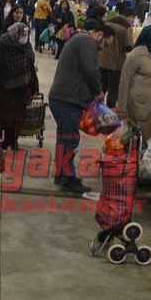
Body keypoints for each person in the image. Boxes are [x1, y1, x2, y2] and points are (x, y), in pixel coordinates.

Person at [48, 19, 111, 194]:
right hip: (67, 100)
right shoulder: (87, 41)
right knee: (70, 140)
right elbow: (91, 70)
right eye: (105, 44)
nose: (102, 48)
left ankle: (61, 175)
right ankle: (67, 179)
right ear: (99, 35)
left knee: (64, 139)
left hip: (63, 98)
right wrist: (98, 91)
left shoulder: (80, 40)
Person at [115, 23, 151, 143]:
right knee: (138, 140)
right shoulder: (136, 55)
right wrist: (122, 108)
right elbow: (124, 81)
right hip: (138, 106)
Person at [0, 22, 39, 150]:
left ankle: (13, 139)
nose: (25, 37)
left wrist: (33, 86)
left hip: (23, 86)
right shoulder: (2, 44)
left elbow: (30, 62)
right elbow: (0, 64)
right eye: (22, 34)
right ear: (15, 33)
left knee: (19, 115)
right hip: (6, 87)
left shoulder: (26, 45)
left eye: (26, 34)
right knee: (4, 116)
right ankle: (3, 140)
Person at [99, 7, 133, 108]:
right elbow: (128, 47)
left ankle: (96, 111)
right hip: (116, 64)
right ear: (129, 16)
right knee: (113, 91)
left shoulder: (107, 23)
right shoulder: (126, 27)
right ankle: (109, 112)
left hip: (101, 60)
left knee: (101, 88)